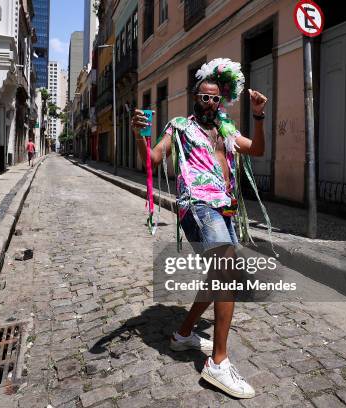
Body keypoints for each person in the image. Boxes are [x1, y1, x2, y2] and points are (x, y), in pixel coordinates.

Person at [132, 58, 268, 399]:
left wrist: (259, 115)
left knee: (218, 276)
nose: (210, 103)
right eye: (204, 98)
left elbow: (260, 150)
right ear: (196, 97)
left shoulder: (226, 128)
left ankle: (183, 334)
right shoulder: (179, 126)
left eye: (215, 98)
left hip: (225, 208)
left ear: (221, 100)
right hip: (197, 205)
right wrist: (141, 136)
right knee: (227, 270)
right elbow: (152, 159)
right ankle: (218, 363)